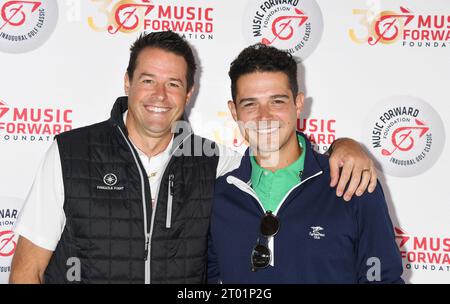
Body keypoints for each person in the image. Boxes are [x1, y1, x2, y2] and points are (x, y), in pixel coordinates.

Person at [10, 31, 377, 284]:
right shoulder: (71, 153)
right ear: (127, 82)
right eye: (148, 80)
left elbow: (277, 154)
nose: (160, 95)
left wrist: (344, 147)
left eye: (174, 84)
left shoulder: (215, 162)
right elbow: (26, 271)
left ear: (189, 94)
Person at [207, 44, 404, 284]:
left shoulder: (352, 183)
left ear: (298, 103)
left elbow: (383, 278)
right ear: (234, 111)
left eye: (277, 102)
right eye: (250, 104)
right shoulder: (217, 196)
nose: (264, 116)